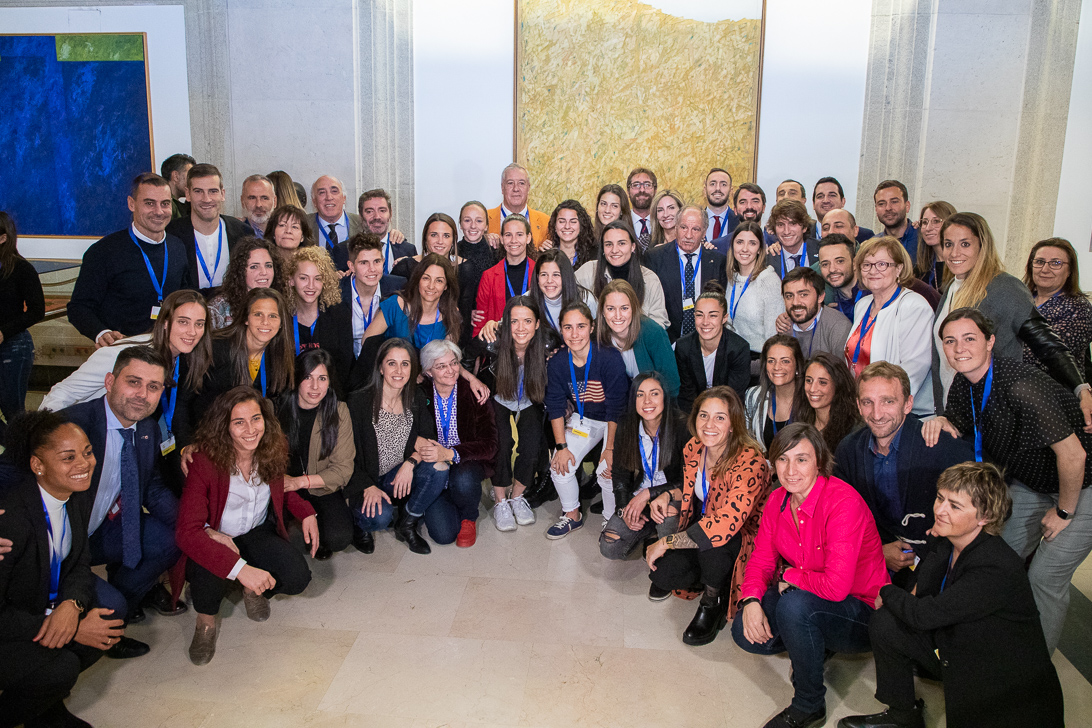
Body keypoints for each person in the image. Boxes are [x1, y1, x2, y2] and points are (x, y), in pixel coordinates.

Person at [839, 462, 1064, 728]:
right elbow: (921, 589)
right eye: (940, 498)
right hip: (960, 644)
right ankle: (902, 716)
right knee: (887, 622)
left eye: (955, 506)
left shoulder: (995, 567)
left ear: (985, 517)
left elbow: (924, 614)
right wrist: (935, 542)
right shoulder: (948, 540)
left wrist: (886, 591)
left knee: (898, 610)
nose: (940, 510)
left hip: (1002, 681)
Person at [931, 308, 1092, 653]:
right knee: (993, 557)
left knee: (1044, 578)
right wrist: (942, 420)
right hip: (1033, 481)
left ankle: (1034, 667)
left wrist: (1064, 512)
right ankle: (993, 642)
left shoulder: (1021, 385)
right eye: (950, 341)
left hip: (1082, 484)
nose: (959, 348)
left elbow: (1073, 455)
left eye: (969, 338)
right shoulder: (963, 383)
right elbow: (962, 425)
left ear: (990, 341)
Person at [733, 423, 888, 728]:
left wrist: (790, 574)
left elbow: (836, 587)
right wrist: (750, 600)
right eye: (782, 459)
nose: (791, 470)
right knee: (743, 631)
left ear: (819, 462)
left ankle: (809, 705)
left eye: (801, 459)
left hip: (861, 610)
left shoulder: (843, 503)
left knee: (794, 607)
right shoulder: (777, 499)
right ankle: (813, 644)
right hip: (810, 594)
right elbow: (761, 558)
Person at [174, 387, 317, 665]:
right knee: (208, 574)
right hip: (216, 535)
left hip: (256, 532)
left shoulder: (273, 447)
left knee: (298, 577)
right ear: (224, 427)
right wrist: (241, 569)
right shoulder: (204, 461)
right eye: (239, 422)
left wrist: (306, 512)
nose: (251, 430)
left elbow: (280, 487)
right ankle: (206, 622)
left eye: (256, 419)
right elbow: (186, 532)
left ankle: (252, 589)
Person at [60, 346, 186, 657]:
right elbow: (11, 468)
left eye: (153, 386)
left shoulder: (147, 429)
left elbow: (152, 489)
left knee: (170, 539)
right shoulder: (71, 424)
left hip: (98, 530)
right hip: (57, 543)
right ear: (109, 382)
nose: (142, 394)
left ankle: (117, 605)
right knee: (110, 611)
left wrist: (197, 526)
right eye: (133, 382)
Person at [0, 411, 121, 728]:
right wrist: (71, 628)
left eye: (87, 452)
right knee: (61, 666)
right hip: (11, 626)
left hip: (44, 604)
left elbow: (79, 562)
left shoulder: (74, 495)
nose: (84, 464)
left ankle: (44, 710)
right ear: (37, 465)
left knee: (108, 622)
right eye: (69, 457)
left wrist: (73, 605)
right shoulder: (11, 521)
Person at [42, 290, 212, 496]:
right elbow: (63, 393)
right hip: (83, 436)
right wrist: (45, 441)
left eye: (199, 324)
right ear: (166, 322)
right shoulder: (122, 354)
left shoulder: (182, 358)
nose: (192, 332)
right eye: (183, 322)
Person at [931, 212, 1092, 420]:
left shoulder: (1005, 288)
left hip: (992, 415)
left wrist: (1081, 389)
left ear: (982, 246)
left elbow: (1047, 343)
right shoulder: (952, 287)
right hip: (954, 410)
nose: (954, 252)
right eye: (948, 244)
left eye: (965, 244)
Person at [834, 361, 974, 590]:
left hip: (939, 568)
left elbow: (982, 500)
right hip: (874, 569)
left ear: (908, 404)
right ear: (858, 405)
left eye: (888, 401)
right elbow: (841, 520)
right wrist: (877, 551)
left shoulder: (938, 444)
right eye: (868, 402)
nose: (877, 413)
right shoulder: (848, 451)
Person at [69, 173, 193, 348]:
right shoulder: (104, 251)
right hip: (123, 350)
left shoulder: (178, 246)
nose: (159, 211)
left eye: (165, 204)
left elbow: (185, 296)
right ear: (131, 204)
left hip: (169, 348)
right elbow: (79, 307)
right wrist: (101, 333)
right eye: (149, 203)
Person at [343, 339, 438, 555]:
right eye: (391, 363)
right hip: (365, 479)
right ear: (380, 368)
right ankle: (358, 525)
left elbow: (429, 440)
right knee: (380, 517)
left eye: (405, 364)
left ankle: (407, 523)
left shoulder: (415, 397)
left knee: (438, 468)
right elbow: (345, 455)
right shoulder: (358, 402)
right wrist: (367, 485)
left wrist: (410, 463)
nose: (399, 371)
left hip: (395, 476)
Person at [544, 302, 629, 538]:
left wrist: (609, 448)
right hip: (584, 418)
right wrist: (561, 447)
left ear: (591, 327)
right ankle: (572, 515)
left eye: (580, 326)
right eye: (568, 327)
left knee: (607, 470)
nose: (574, 334)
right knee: (559, 466)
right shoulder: (558, 363)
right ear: (561, 330)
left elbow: (616, 408)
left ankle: (610, 519)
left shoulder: (609, 357)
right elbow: (555, 406)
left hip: (614, 420)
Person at [601, 373, 688, 565]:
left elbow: (688, 480)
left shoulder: (683, 426)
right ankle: (649, 532)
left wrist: (649, 494)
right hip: (640, 494)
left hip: (672, 494)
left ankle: (661, 545)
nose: (647, 401)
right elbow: (620, 473)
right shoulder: (626, 424)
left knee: (667, 520)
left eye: (654, 393)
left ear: (665, 396)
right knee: (609, 545)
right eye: (640, 395)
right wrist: (623, 508)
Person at [276, 349, 355, 560]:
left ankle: (313, 525)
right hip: (282, 486)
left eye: (322, 378)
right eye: (307, 377)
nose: (315, 386)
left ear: (329, 382)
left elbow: (343, 470)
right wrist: (288, 484)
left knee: (339, 537)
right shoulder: (276, 409)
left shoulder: (339, 411)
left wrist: (300, 482)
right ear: (297, 378)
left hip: (319, 486)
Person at [419, 340, 498, 547]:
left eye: (454, 363)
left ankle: (468, 517)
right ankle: (444, 498)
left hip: (466, 464)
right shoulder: (420, 394)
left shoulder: (474, 392)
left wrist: (451, 453)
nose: (450, 370)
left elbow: (490, 445)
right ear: (428, 372)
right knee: (444, 536)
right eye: (441, 366)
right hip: (434, 468)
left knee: (463, 479)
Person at [845, 236, 935, 415]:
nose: (873, 270)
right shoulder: (862, 305)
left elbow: (914, 369)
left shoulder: (914, 306)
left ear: (899, 269)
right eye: (867, 265)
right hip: (863, 405)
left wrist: (883, 405)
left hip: (896, 411)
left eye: (882, 264)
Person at [490, 297, 548, 532]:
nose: (521, 328)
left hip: (530, 399)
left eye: (527, 321)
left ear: (537, 324)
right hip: (499, 398)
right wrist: (474, 381)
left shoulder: (548, 346)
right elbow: (463, 360)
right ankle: (500, 499)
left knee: (532, 445)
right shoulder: (492, 342)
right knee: (502, 443)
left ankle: (517, 496)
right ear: (506, 323)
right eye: (514, 321)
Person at [199, 288, 295, 408]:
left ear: (281, 323)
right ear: (246, 318)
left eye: (273, 316)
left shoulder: (279, 354)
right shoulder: (217, 348)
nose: (265, 322)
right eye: (258, 314)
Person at [645, 205, 728, 341]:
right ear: (676, 228)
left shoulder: (718, 262)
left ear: (704, 232)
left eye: (695, 229)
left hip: (705, 340)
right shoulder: (655, 258)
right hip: (667, 340)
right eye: (683, 227)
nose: (688, 235)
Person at [165, 163, 250, 292]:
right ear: (188, 194)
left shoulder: (243, 233)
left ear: (222, 194)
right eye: (198, 191)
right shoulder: (171, 234)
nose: (206, 199)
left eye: (213, 191)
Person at [284, 246, 354, 395]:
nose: (311, 286)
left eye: (317, 279)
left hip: (330, 395)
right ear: (291, 280)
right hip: (291, 397)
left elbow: (344, 366)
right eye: (303, 278)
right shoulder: (282, 317)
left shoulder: (339, 314)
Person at [575, 220, 669, 329]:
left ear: (633, 246)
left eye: (621, 243)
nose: (615, 250)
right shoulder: (588, 271)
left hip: (639, 338)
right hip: (597, 338)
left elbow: (659, 324)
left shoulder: (650, 279)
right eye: (609, 244)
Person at [674, 283, 752, 414]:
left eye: (713, 315)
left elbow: (733, 396)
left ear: (724, 318)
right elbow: (687, 395)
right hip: (694, 411)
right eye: (700, 315)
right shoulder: (683, 347)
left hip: (727, 411)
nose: (705, 322)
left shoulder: (738, 349)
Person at [0, 212, 44, 441]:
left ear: (3, 238)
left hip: (14, 346)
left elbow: (37, 310)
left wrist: (4, 332)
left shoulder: (21, 269)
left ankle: (22, 452)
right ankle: (16, 449)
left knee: (13, 410)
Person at [1023, 237, 1092, 381]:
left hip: (1052, 387)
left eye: (1056, 263)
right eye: (1039, 262)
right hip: (1010, 380)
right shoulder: (1019, 298)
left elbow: (1046, 357)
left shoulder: (1079, 308)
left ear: (1069, 271)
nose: (1045, 269)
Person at [340, 233, 403, 390]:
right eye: (364, 263)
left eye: (377, 261)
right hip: (346, 375)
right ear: (351, 266)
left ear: (383, 261)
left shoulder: (398, 287)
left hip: (385, 375)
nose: (372, 269)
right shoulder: (336, 293)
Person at [596, 280, 680, 397]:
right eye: (611, 309)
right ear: (602, 312)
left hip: (653, 403)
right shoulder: (596, 336)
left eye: (624, 308)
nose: (618, 316)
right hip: (618, 403)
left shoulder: (653, 332)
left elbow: (672, 385)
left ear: (634, 309)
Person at [725, 221, 782, 360]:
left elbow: (773, 336)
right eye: (740, 242)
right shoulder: (731, 278)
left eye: (752, 243)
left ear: (760, 249)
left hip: (759, 359)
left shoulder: (769, 281)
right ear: (732, 245)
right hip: (732, 356)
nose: (745, 249)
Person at [474, 214, 537, 341]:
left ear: (528, 238)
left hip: (533, 343)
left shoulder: (540, 273)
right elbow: (479, 324)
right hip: (500, 343)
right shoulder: (489, 276)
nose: (513, 240)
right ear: (502, 239)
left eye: (519, 234)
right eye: (508, 235)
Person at [206, 236, 286, 330]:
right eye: (254, 267)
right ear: (240, 271)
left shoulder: (281, 302)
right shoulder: (218, 309)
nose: (264, 272)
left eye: (268, 265)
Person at [528, 247, 597, 347]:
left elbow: (597, 337)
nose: (549, 280)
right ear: (537, 277)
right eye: (544, 275)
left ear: (565, 276)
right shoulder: (527, 301)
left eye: (556, 275)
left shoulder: (586, 299)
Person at [776, 267, 852, 358]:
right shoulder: (784, 325)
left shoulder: (838, 327)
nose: (795, 302)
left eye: (803, 295)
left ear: (820, 297)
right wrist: (787, 337)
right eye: (789, 296)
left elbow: (842, 367)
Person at [745, 335, 804, 450]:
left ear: (797, 366)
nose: (777, 367)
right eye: (771, 361)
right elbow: (746, 443)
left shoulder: (810, 399)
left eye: (785, 361)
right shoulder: (753, 396)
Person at [796, 352, 861, 454]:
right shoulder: (801, 419)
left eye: (822, 382)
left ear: (838, 385)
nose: (812, 389)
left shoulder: (855, 431)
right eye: (809, 381)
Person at [456, 201, 500, 346]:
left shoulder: (496, 251)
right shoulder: (453, 252)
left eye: (479, 221)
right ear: (460, 224)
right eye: (467, 220)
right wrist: (466, 312)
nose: (473, 226)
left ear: (486, 226)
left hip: (491, 322)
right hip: (461, 325)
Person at [486, 163, 550, 248]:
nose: (516, 189)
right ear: (502, 188)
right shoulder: (484, 220)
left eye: (521, 183)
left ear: (528, 187)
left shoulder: (546, 222)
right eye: (510, 183)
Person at [307, 175, 363, 270]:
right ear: (314, 201)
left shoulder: (362, 224)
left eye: (334, 191)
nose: (329, 197)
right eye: (322, 192)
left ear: (344, 198)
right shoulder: (303, 224)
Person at [391, 212, 463, 280]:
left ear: (453, 240)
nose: (440, 241)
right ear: (425, 238)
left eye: (446, 236)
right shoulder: (406, 267)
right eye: (434, 235)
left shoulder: (464, 269)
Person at [358, 188, 413, 275]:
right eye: (369, 211)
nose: (377, 217)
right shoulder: (345, 251)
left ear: (390, 214)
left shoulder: (408, 250)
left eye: (382, 211)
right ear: (361, 216)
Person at [765, 199, 819, 277]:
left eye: (793, 224)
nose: (786, 231)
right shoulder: (768, 259)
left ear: (804, 227)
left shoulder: (820, 250)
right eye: (780, 225)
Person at [811, 176, 874, 244]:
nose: (826, 200)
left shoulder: (865, 236)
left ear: (843, 202)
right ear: (813, 204)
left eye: (832, 195)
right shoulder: (803, 234)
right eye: (820, 196)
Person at [817, 233, 864, 320]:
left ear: (854, 263)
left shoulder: (874, 295)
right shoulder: (830, 306)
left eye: (840, 261)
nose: (832, 269)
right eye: (825, 264)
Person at [543, 199, 596, 269]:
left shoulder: (593, 256)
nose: (567, 226)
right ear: (554, 225)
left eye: (573, 222)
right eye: (562, 221)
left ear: (581, 225)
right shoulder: (545, 256)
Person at [874, 179, 918, 263]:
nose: (888, 208)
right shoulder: (873, 245)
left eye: (894, 202)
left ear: (907, 206)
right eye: (881, 204)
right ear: (876, 209)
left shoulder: (924, 239)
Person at [915, 200, 956, 290]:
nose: (928, 228)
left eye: (936, 221)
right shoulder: (921, 270)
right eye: (925, 222)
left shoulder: (960, 265)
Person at [703, 168, 738, 242]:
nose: (718, 188)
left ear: (731, 191)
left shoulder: (739, 222)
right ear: (705, 190)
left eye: (723, 184)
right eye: (712, 184)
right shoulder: (695, 220)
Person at [627, 167, 657, 249]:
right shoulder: (620, 221)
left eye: (647, 185)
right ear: (628, 191)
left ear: (655, 190)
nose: (642, 190)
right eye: (636, 185)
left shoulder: (663, 221)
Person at [238, 174, 277, 238]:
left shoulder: (284, 233)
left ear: (275, 201)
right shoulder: (235, 233)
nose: (258, 205)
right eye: (252, 198)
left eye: (264, 198)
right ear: (242, 201)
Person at [161, 152, 195, 219]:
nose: (192, 182)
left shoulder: (178, 206)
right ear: (176, 176)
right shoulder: (167, 205)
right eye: (190, 176)